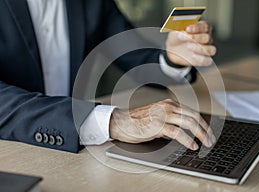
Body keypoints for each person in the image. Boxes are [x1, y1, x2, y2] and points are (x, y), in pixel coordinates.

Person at [0, 0, 217, 153]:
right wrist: (111, 121)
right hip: (12, 152)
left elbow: (133, 55)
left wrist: (172, 59)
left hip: (72, 153)